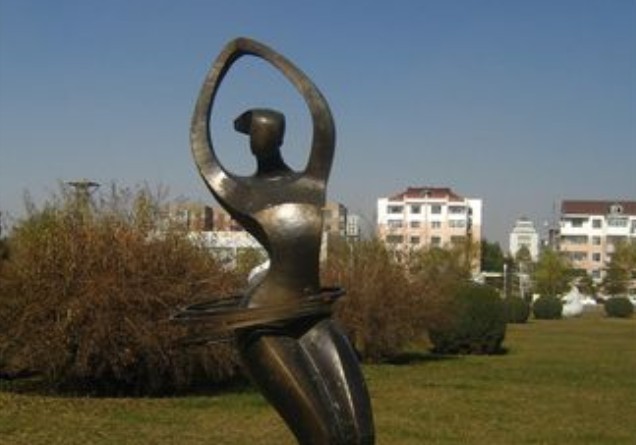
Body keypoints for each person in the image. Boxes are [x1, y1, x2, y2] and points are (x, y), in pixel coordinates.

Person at [190, 37, 374, 444]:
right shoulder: (240, 191)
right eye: (258, 133)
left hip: (313, 314)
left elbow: (321, 114)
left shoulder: (312, 179)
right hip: (265, 320)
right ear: (250, 141)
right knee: (322, 436)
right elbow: (201, 147)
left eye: (268, 133)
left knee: (360, 435)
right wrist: (225, 61)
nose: (263, 139)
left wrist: (260, 53)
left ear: (279, 138)